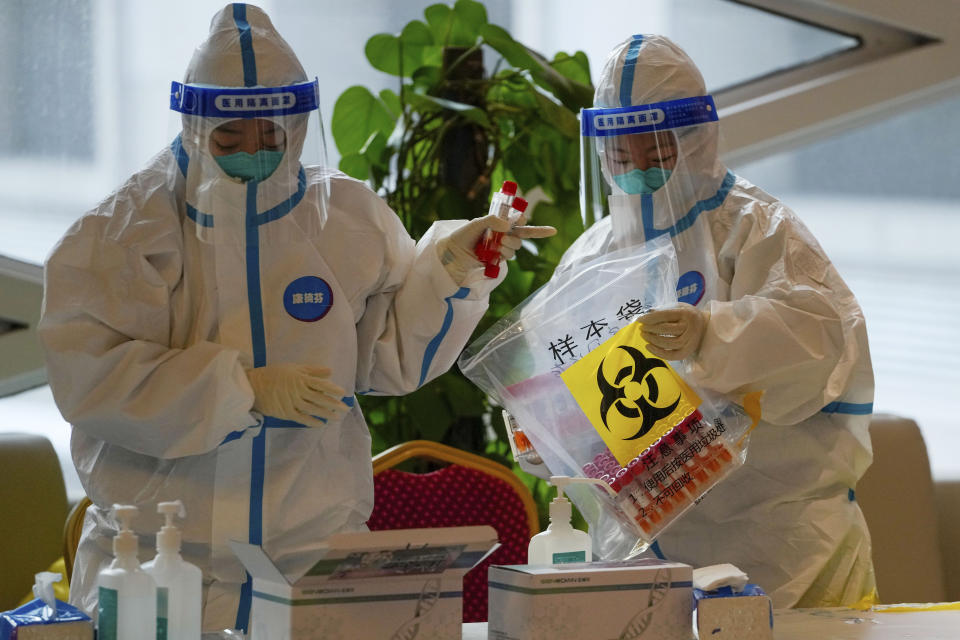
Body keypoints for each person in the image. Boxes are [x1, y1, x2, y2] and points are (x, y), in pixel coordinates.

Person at [37, 3, 554, 634]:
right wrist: (241, 389)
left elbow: (389, 357)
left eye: (272, 136)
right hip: (162, 569)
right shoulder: (122, 235)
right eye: (230, 138)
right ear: (195, 125)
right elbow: (95, 382)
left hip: (311, 564)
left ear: (299, 125)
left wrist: (448, 266)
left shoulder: (345, 220)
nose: (253, 150)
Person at [563, 34, 876, 608]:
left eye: (654, 152)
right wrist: (546, 429)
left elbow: (821, 341)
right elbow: (572, 386)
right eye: (618, 155)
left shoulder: (757, 228)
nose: (635, 170)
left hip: (784, 550)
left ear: (696, 137)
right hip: (644, 554)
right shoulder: (591, 257)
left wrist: (714, 334)